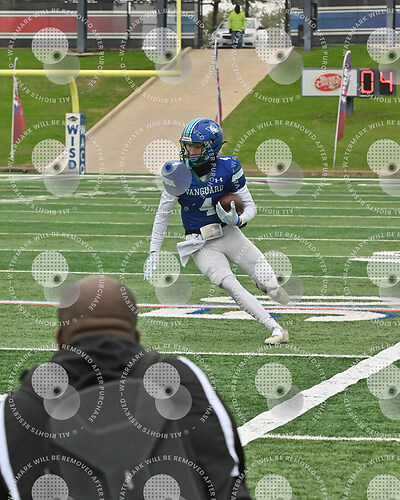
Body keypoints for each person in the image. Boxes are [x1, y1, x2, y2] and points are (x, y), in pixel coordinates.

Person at [0, 276, 252, 500]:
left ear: (59, 340)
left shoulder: (17, 411)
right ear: (136, 336)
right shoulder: (180, 380)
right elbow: (228, 480)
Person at [145, 118, 290, 345]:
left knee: (271, 285)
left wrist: (238, 219)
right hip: (200, 242)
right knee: (230, 284)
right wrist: (154, 251)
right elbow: (162, 215)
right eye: (187, 146)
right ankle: (275, 328)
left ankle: (265, 286)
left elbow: (250, 206)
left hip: (229, 233)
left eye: (196, 147)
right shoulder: (177, 174)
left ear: (211, 147)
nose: (190, 152)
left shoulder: (228, 167)